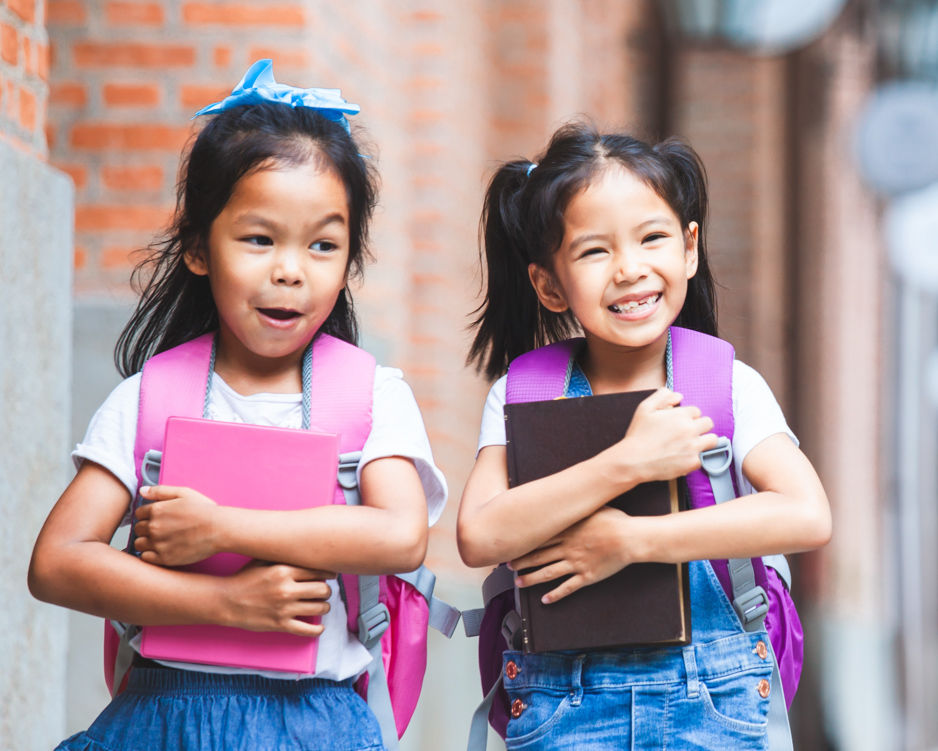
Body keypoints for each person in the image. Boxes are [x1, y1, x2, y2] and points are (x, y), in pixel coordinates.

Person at [28, 60, 446, 751]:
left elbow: (401, 535)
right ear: (198, 247)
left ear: (350, 262)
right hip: (163, 718)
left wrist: (223, 527)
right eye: (260, 238)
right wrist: (224, 603)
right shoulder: (149, 399)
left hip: (314, 722)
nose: (291, 267)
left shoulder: (372, 396)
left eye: (323, 244)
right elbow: (57, 561)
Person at [457, 122, 831, 749]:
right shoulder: (523, 393)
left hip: (718, 699)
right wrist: (626, 462)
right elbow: (479, 534)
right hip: (562, 705)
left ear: (689, 248)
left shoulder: (725, 383)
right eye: (594, 251)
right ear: (549, 284)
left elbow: (806, 515)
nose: (630, 269)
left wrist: (632, 540)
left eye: (651, 238)